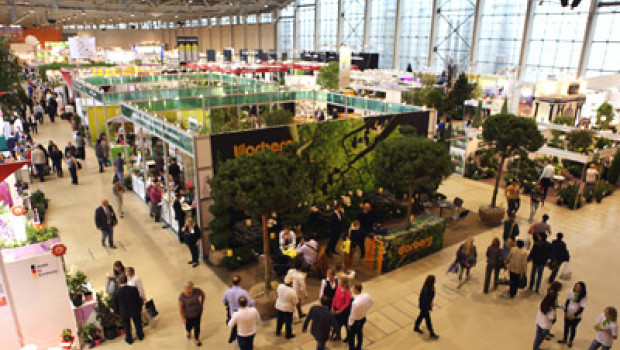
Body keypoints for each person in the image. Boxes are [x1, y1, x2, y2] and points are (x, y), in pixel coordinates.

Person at [112, 274, 144, 344]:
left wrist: (117, 312)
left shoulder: (116, 293)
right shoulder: (133, 289)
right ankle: (140, 335)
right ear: (127, 280)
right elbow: (138, 299)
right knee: (138, 324)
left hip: (124, 312)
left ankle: (129, 339)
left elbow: (115, 304)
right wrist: (140, 307)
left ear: (119, 282)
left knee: (127, 326)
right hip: (135, 309)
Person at [222, 275, 255, 343]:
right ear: (240, 282)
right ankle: (240, 340)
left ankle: (237, 339)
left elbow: (224, 301)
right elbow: (251, 303)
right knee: (242, 326)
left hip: (232, 311)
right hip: (242, 311)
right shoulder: (243, 292)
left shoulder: (227, 291)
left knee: (235, 325)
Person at [558, 282, 587, 347]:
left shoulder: (583, 296)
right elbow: (567, 301)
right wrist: (565, 311)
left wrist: (574, 315)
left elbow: (582, 308)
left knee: (573, 328)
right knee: (566, 327)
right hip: (568, 313)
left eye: (579, 287)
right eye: (576, 286)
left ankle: (570, 341)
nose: (577, 288)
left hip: (576, 317)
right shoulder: (571, 292)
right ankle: (564, 339)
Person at [178, 281, 205, 347]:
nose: (191, 290)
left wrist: (201, 303)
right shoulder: (182, 297)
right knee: (188, 326)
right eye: (189, 288)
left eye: (191, 288)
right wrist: (182, 317)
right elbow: (180, 308)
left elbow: (203, 294)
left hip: (197, 313)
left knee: (197, 326)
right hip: (188, 315)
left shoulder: (197, 291)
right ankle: (189, 332)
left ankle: (196, 339)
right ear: (185, 289)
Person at [347, 283, 372, 350]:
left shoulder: (355, 303)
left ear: (356, 290)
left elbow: (352, 315)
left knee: (351, 337)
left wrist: (349, 324)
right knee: (359, 333)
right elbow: (371, 303)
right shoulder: (367, 296)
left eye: (353, 288)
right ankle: (358, 347)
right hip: (362, 318)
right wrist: (365, 310)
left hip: (356, 321)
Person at [414, 275, 439, 339]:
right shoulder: (426, 289)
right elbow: (426, 299)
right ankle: (431, 332)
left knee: (421, 316)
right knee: (428, 320)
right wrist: (428, 306)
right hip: (424, 306)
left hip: (425, 306)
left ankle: (416, 326)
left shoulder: (429, 287)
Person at [275, 274, 298, 340]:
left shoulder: (280, 286)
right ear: (291, 283)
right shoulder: (292, 291)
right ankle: (288, 335)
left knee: (280, 320)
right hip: (288, 308)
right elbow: (295, 301)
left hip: (279, 306)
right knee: (288, 322)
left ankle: (278, 331)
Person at [331, 276, 351, 341]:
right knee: (336, 324)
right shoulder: (338, 288)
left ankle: (348, 337)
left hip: (343, 312)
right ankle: (337, 335)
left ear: (343, 282)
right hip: (336, 309)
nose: (338, 281)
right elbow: (335, 297)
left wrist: (340, 310)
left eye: (340, 280)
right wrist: (332, 307)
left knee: (345, 324)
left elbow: (347, 303)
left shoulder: (347, 292)